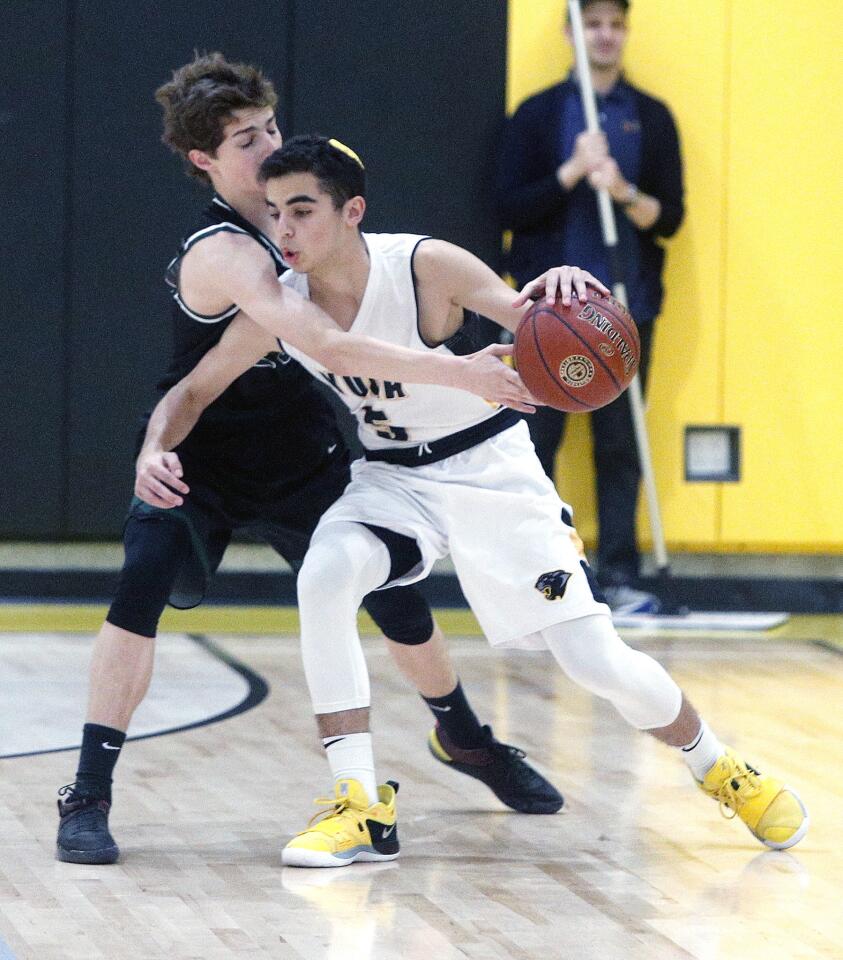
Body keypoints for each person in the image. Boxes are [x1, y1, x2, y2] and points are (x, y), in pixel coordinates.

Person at [151, 135, 807, 868]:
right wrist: (154, 447)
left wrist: (560, 281)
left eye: (301, 210)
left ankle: (719, 767)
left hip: (491, 473)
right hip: (393, 480)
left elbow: (530, 315)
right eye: (273, 213)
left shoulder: (425, 265)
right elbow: (193, 389)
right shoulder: (284, 305)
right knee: (326, 575)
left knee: (593, 659)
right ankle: (358, 801)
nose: (284, 231)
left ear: (352, 211)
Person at [54, 54, 562, 867]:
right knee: (140, 586)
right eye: (246, 140)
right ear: (205, 162)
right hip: (203, 456)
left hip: (300, 450)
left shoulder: (306, 219)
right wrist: (152, 447)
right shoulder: (226, 253)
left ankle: (465, 739)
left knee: (397, 595)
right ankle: (87, 793)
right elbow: (314, 343)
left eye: (271, 129)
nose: (268, 147)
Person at [497, 0, 685, 615]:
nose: (604, 36)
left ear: (625, 32)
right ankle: (537, 575)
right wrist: (573, 172)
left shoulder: (650, 117)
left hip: (624, 308)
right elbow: (510, 209)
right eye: (592, 24)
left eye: (615, 24)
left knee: (619, 444)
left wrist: (622, 190)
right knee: (533, 445)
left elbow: (671, 219)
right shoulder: (539, 115)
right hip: (546, 313)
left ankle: (621, 577)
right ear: (570, 33)